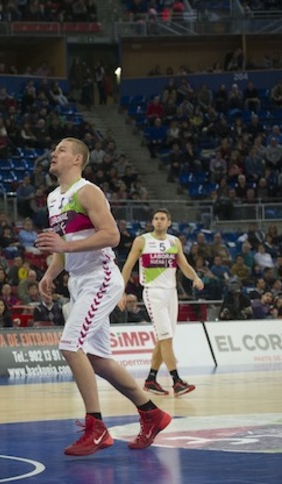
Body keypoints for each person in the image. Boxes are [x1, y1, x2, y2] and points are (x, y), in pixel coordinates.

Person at [36, 137, 171, 457]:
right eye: (55, 150)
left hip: (101, 278)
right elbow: (62, 245)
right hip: (78, 283)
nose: (54, 154)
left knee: (70, 346)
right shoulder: (54, 198)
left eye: (62, 150)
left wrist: (65, 248)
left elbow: (112, 235)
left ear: (78, 160)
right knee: (98, 360)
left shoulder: (87, 191)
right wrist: (49, 274)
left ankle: (96, 428)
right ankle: (152, 413)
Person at [120, 209, 203, 397]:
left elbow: (184, 265)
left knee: (164, 338)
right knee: (166, 338)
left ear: (169, 222)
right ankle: (177, 381)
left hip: (171, 294)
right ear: (152, 222)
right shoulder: (142, 241)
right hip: (153, 292)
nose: (158, 221)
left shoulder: (174, 242)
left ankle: (150, 380)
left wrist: (195, 278)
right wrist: (121, 291)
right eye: (156, 218)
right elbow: (127, 266)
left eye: (162, 219)